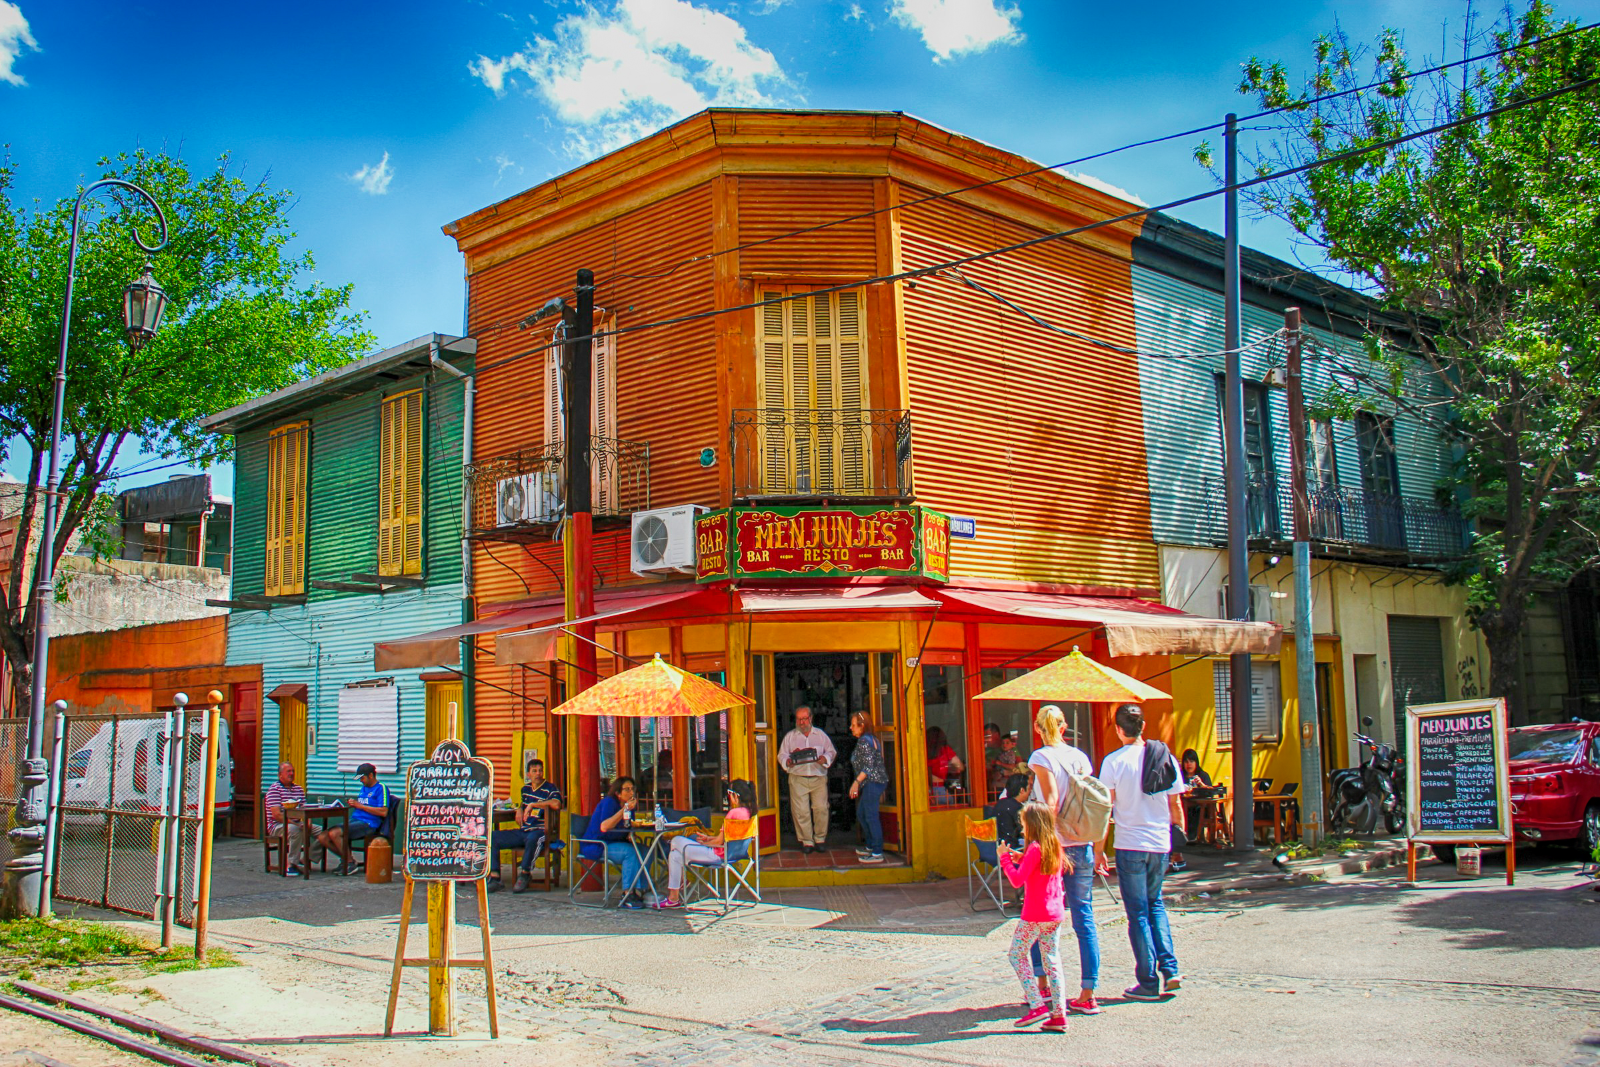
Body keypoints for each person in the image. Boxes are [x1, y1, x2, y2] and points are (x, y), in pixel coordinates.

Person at [1098, 703, 1186, 1001]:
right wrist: (1177, 840)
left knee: (1137, 914)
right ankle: (1170, 969)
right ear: (1143, 727)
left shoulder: (1113, 762)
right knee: (1155, 904)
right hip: (1159, 842)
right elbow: (1176, 805)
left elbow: (1106, 808)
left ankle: (1147, 981)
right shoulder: (1165, 756)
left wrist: (1100, 849)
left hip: (1129, 843)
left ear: (1119, 730)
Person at [1026, 703, 1102, 1015]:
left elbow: (1052, 800)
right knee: (1084, 916)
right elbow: (1095, 802)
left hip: (1054, 845)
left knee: (1037, 914)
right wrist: (1099, 846)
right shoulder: (1080, 757)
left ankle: (1043, 985)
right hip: (1082, 841)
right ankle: (1088, 991)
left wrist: (1045, 842)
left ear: (1037, 729)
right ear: (1064, 727)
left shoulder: (1041, 757)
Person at [998, 802, 1070, 1032]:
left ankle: (1037, 1004)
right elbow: (1037, 868)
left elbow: (1017, 880)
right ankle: (1059, 1014)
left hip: (1035, 914)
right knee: (1052, 961)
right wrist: (1019, 857)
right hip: (1055, 913)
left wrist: (1005, 858)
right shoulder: (1054, 845)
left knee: (1017, 955)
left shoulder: (1035, 848)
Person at [655, 780, 756, 909]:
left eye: (729, 794)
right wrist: (708, 838)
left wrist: (705, 843)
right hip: (732, 853)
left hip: (717, 855)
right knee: (675, 855)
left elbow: (719, 842)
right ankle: (673, 897)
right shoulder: (749, 813)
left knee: (675, 841)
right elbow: (727, 838)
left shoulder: (733, 814)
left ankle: (680, 883)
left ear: (736, 795)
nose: (728, 797)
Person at [487, 757, 563, 893]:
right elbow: (523, 803)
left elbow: (556, 804)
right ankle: (495, 876)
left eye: (540, 770)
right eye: (534, 771)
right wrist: (520, 809)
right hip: (524, 830)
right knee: (493, 837)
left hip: (541, 831)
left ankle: (525, 873)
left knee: (533, 838)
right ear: (528, 774)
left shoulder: (550, 788)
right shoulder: (526, 789)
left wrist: (534, 804)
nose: (538, 773)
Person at [585, 776, 649, 909]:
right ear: (618, 793)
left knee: (645, 850)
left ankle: (642, 889)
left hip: (617, 841)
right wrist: (624, 810)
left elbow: (628, 825)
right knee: (630, 852)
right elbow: (604, 826)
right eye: (627, 789)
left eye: (632, 789)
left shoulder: (630, 807)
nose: (631, 793)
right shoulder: (609, 803)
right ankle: (627, 894)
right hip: (599, 844)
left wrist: (631, 834)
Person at [778, 705, 835, 853]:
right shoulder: (790, 736)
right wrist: (787, 761)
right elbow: (782, 755)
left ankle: (820, 839)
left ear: (810, 718)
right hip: (798, 778)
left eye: (804, 719)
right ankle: (807, 842)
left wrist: (825, 758)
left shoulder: (820, 735)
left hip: (818, 777)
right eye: (799, 719)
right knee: (801, 811)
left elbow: (831, 751)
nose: (802, 722)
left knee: (821, 809)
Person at [325, 762, 389, 872]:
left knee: (334, 833)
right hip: (355, 820)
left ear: (371, 775)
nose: (361, 781)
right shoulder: (363, 788)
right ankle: (345, 859)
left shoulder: (381, 788)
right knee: (324, 837)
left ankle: (349, 863)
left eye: (362, 778)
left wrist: (361, 806)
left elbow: (383, 812)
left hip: (369, 823)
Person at [847, 711, 889, 863]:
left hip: (873, 782)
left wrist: (856, 783)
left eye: (853, 725)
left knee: (870, 816)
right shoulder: (869, 739)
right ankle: (871, 845)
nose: (851, 728)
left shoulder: (865, 741)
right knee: (862, 813)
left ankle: (877, 851)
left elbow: (869, 766)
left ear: (862, 726)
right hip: (872, 782)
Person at [264, 762, 320, 876]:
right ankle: (291, 865)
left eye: (292, 771)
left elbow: (305, 809)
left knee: (325, 833)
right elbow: (277, 815)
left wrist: (308, 822)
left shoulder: (298, 789)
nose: (291, 773)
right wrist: (297, 824)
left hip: (299, 822)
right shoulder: (274, 790)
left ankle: (307, 859)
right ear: (280, 775)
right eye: (288, 771)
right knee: (295, 830)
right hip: (277, 825)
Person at [1170, 749, 1213, 871]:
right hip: (1183, 807)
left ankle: (1192, 836)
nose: (1189, 764)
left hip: (1199, 808)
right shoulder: (1180, 776)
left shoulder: (1202, 775)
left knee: (1196, 813)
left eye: (1192, 761)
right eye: (1186, 761)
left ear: (1196, 762)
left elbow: (1210, 791)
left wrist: (1202, 785)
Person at [926, 727, 965, 801]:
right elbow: (960, 767)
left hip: (925, 792)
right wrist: (948, 767)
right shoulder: (945, 750)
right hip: (940, 789)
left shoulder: (923, 751)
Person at [994, 772, 1030, 848]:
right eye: (1029, 788)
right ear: (1022, 790)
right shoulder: (1018, 809)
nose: (1030, 792)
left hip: (994, 849)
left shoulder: (999, 804)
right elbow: (1026, 833)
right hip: (1011, 849)